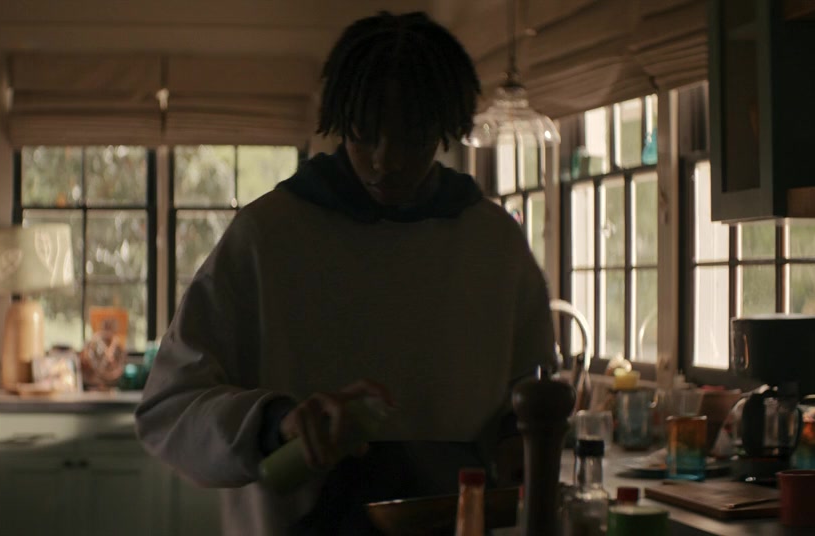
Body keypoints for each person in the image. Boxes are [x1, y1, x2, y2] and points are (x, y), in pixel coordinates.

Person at [135, 11, 556, 535]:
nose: (386, 160)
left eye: (413, 137)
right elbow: (169, 408)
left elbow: (534, 387)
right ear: (340, 121)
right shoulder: (268, 237)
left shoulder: (493, 244)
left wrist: (516, 438)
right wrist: (275, 422)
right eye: (364, 134)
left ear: (445, 128)